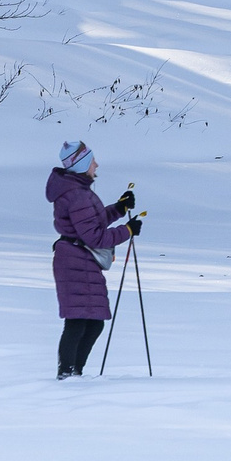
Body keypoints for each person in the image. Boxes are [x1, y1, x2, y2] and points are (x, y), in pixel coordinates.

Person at [46, 141, 141, 378]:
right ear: (81, 165)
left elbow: (91, 222)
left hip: (79, 260)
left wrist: (119, 209)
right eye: (92, 160)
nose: (96, 164)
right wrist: (126, 231)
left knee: (93, 322)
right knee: (79, 321)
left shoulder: (79, 191)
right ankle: (68, 374)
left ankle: (73, 373)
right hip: (75, 261)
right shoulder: (77, 194)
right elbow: (96, 236)